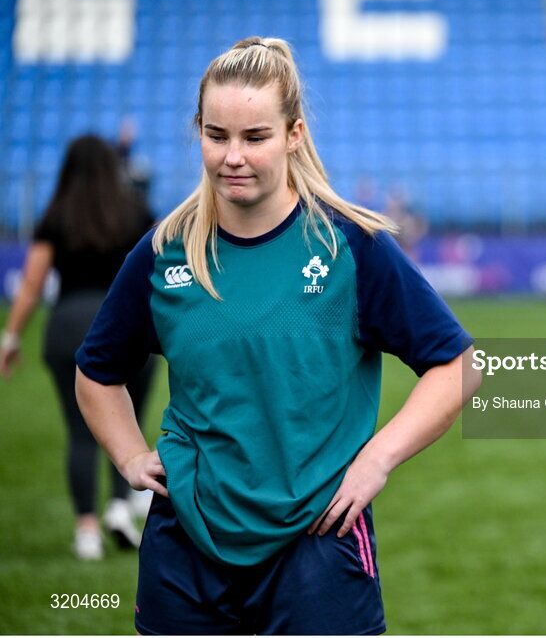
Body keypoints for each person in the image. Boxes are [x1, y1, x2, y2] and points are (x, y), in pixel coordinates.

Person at [74, 37, 481, 634]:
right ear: (198, 132)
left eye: (254, 137)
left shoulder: (349, 248)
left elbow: (459, 365)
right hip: (183, 544)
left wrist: (377, 459)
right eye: (217, 136)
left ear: (293, 134)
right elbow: (98, 371)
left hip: (318, 541)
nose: (232, 156)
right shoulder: (165, 252)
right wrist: (131, 455)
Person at [1, 134, 155, 560]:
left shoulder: (57, 214)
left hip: (68, 325)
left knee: (81, 432)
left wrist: (11, 336)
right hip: (127, 326)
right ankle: (121, 507)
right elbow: (157, 270)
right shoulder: (134, 209)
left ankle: (86, 532)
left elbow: (32, 284)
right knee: (127, 423)